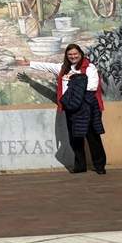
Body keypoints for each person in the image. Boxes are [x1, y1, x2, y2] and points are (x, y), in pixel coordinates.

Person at [18, 44, 107, 174]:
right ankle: (80, 165)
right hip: (71, 108)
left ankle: (99, 166)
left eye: (75, 54)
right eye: (70, 54)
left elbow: (92, 86)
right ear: (67, 56)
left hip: (86, 107)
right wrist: (29, 64)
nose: (73, 56)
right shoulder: (63, 68)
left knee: (92, 137)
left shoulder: (89, 68)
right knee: (75, 138)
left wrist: (74, 82)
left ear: (81, 54)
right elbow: (47, 67)